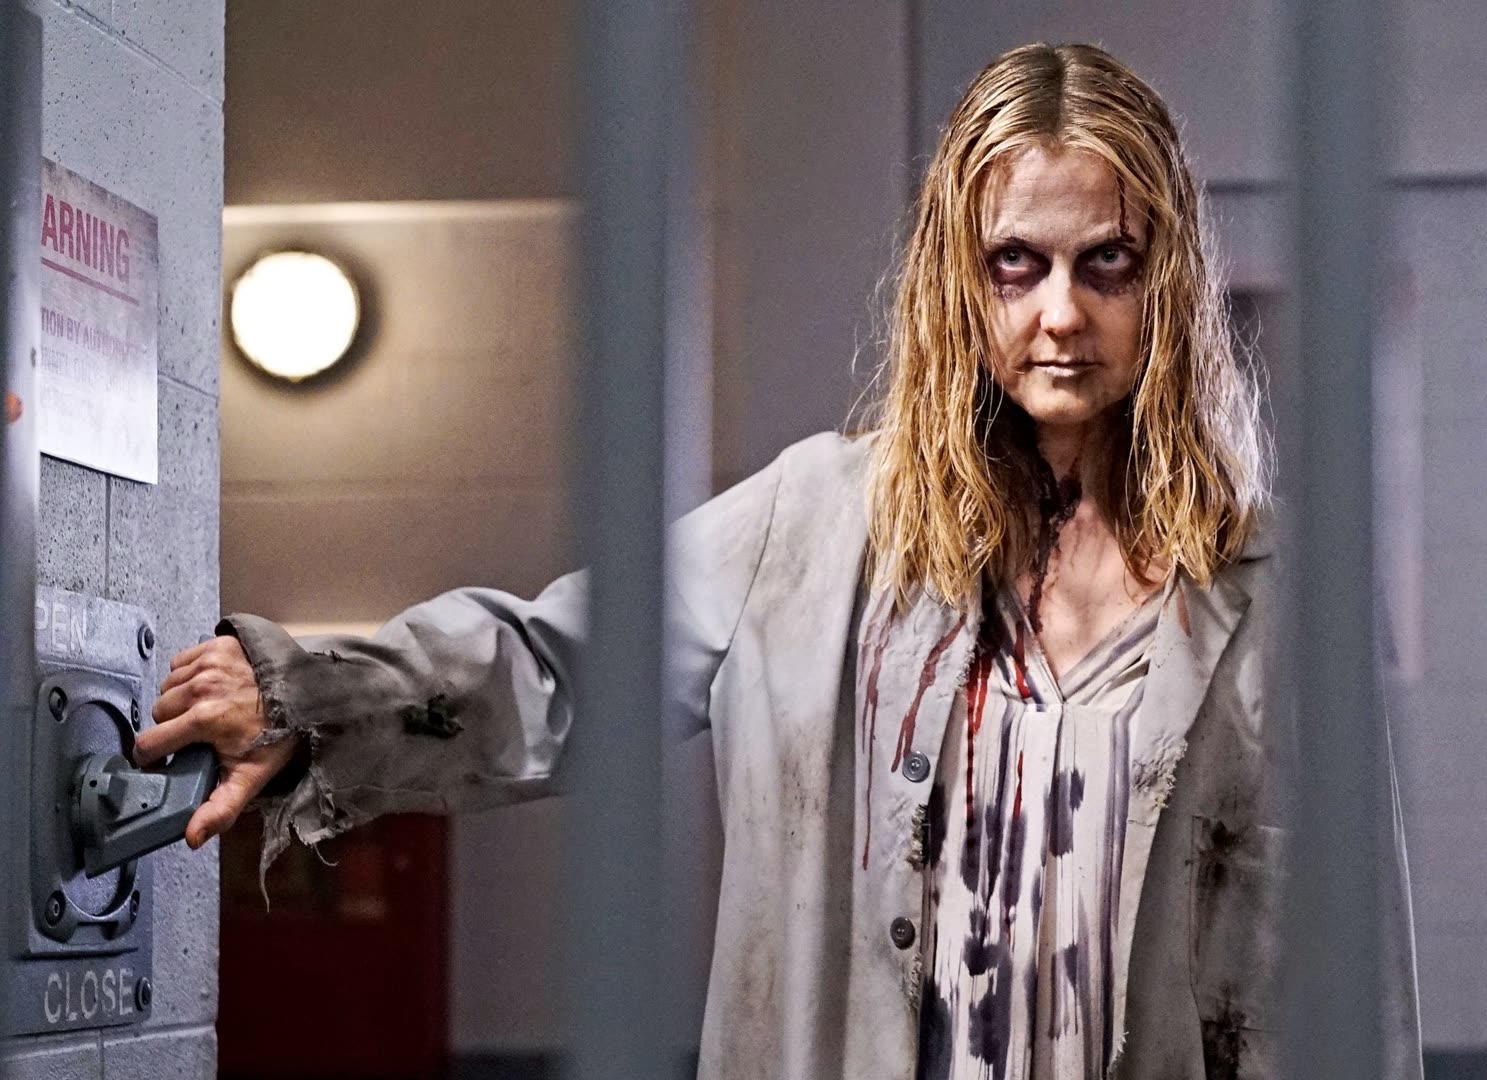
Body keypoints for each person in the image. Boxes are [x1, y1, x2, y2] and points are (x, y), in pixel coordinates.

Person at [135, 42, 1420, 1079]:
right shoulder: (812, 525)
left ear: (1167, 283)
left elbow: (1350, 975)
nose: (1061, 312)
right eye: (1014, 264)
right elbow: (558, 663)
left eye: (1109, 264)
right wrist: (307, 694)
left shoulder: (1273, 593)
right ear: (957, 284)